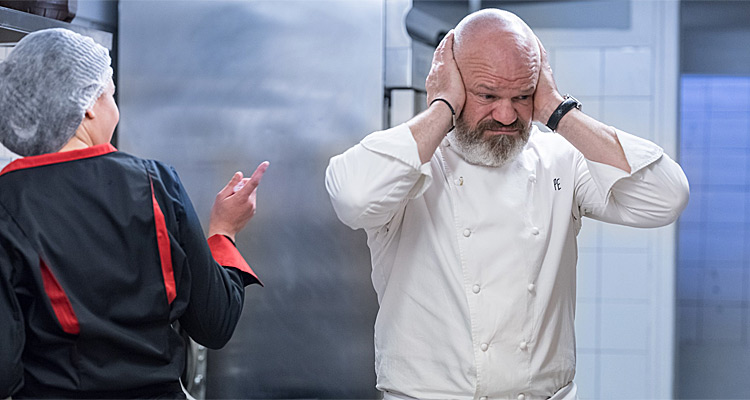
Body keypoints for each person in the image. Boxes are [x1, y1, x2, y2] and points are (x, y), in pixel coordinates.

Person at [325, 9, 689, 400]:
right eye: (487, 95)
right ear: (455, 84)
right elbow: (352, 198)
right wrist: (441, 109)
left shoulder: (560, 158)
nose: (506, 114)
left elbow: (666, 197)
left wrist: (558, 112)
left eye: (522, 96)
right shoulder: (411, 165)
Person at [0, 28, 268, 399]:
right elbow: (215, 323)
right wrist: (224, 230)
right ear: (89, 105)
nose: (115, 109)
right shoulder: (155, 182)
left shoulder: (6, 201)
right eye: (111, 94)